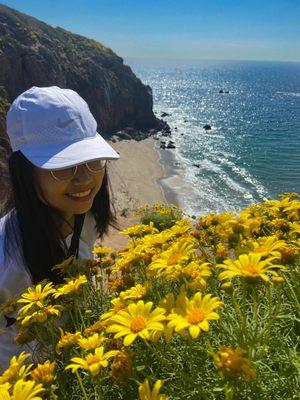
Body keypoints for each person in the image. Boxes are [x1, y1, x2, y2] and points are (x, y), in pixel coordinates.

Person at [0, 86, 120, 370]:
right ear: (24, 171)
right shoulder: (6, 261)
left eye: (93, 160)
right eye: (63, 167)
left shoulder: (84, 216)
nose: (85, 179)